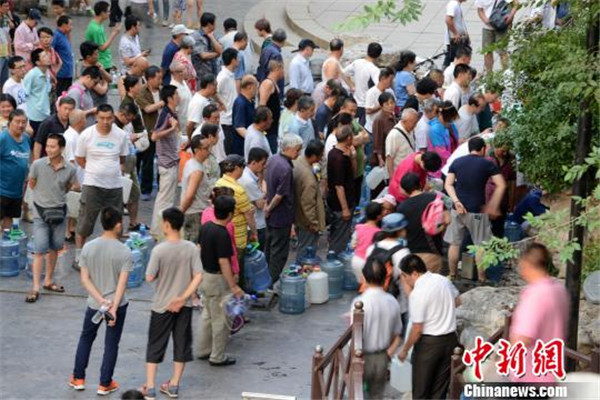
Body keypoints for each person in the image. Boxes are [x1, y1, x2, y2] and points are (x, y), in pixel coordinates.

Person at [69, 206, 131, 396]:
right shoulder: (124, 251)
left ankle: (78, 378)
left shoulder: (88, 247)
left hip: (95, 304)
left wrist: (101, 300)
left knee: (86, 338)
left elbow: (85, 279)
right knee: (111, 344)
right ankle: (105, 383)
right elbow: (122, 283)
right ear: (118, 225)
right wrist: (112, 305)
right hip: (117, 306)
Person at [142, 207, 203, 400]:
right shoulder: (191, 248)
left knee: (155, 345)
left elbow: (150, 277)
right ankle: (174, 385)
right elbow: (198, 276)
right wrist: (182, 297)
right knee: (181, 345)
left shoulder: (159, 250)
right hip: (183, 307)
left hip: (161, 305)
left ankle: (150, 387)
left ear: (167, 225)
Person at [73, 104, 129, 270]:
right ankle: (78, 256)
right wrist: (94, 170)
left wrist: (109, 170)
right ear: (96, 117)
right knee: (85, 221)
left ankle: (113, 256)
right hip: (92, 185)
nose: (105, 122)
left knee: (115, 223)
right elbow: (79, 158)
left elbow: (122, 159)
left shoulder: (121, 135)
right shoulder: (87, 135)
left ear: (113, 117)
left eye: (109, 118)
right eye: (102, 118)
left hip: (114, 185)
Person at [397, 254, 461, 400]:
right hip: (450, 340)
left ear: (414, 273)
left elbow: (417, 328)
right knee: (439, 391)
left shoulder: (418, 293)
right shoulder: (443, 280)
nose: (404, 280)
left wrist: (405, 350)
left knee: (421, 391)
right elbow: (458, 301)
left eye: (404, 276)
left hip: (429, 345)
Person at [444, 137, 506, 281]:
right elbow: (501, 184)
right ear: (483, 149)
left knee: (454, 243)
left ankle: (453, 275)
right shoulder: (487, 163)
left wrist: (456, 201)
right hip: (477, 211)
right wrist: (493, 205)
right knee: (480, 245)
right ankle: (482, 278)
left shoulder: (457, 162)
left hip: (457, 209)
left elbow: (448, 184)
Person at [509, 243, 569, 383]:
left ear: (526, 263)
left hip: (529, 376)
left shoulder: (535, 294)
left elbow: (524, 337)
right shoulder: (559, 290)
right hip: (551, 373)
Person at [196, 195, 243, 366]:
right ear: (230, 214)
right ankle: (217, 356)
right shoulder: (222, 234)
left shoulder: (206, 227)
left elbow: (198, 249)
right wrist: (233, 285)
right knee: (221, 320)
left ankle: (202, 349)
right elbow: (224, 262)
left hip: (204, 276)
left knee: (207, 315)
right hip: (217, 280)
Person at [352, 254, 403, 399]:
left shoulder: (359, 302)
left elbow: (354, 335)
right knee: (377, 395)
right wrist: (388, 354)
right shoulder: (392, 301)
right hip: (382, 356)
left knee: (358, 393)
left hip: (361, 356)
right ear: (384, 277)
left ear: (364, 277)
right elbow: (397, 333)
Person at [264, 134, 303, 281]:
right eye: (297, 150)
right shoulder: (286, 168)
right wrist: (269, 208)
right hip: (280, 216)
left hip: (272, 215)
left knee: (270, 249)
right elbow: (280, 196)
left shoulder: (273, 159)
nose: (298, 153)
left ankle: (267, 279)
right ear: (289, 148)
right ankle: (271, 282)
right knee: (278, 253)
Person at [398, 173, 450, 273]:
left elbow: (402, 233)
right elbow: (448, 220)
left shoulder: (402, 207)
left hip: (412, 254)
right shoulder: (435, 198)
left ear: (404, 189)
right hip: (433, 251)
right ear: (420, 184)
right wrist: (438, 229)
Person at [150, 85, 180, 237]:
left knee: (167, 199)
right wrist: (171, 129)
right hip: (166, 163)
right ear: (170, 98)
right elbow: (154, 136)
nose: (179, 96)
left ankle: (160, 230)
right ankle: (158, 232)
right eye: (176, 94)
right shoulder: (165, 114)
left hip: (172, 161)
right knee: (164, 201)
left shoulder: (172, 113)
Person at [327, 126, 357, 254]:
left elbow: (353, 174)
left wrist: (352, 157)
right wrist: (345, 208)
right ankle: (335, 261)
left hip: (341, 201)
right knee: (340, 238)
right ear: (349, 138)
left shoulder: (337, 153)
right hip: (340, 204)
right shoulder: (339, 158)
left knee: (339, 234)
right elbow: (339, 186)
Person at [293, 139, 326, 256]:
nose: (321, 158)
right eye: (320, 155)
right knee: (306, 251)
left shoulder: (298, 162)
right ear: (313, 155)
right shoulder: (309, 179)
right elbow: (308, 203)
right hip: (307, 222)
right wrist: (313, 223)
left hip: (298, 216)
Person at [135, 66, 163, 200]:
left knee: (163, 161)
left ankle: (162, 188)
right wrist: (164, 102)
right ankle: (146, 190)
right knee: (147, 161)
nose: (160, 81)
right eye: (158, 78)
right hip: (149, 131)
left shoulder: (163, 91)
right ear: (150, 79)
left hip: (163, 131)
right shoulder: (141, 93)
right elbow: (147, 109)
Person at [0, 109, 30, 229]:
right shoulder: (3, 139)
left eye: (23, 122)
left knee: (10, 219)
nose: (20, 125)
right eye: (17, 122)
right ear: (10, 122)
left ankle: (6, 245)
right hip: (2, 189)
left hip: (17, 191)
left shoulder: (26, 138)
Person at [180, 135, 212, 242]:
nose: (209, 151)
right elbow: (190, 195)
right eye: (206, 148)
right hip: (195, 214)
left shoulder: (191, 163)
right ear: (197, 150)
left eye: (209, 147)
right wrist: (180, 212)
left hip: (193, 212)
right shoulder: (197, 171)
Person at [342, 42, 382, 125]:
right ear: (378, 55)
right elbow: (379, 87)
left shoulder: (357, 62)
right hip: (365, 104)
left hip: (355, 101)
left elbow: (344, 73)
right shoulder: (374, 70)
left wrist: (351, 86)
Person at [239, 147, 269, 251]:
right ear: (254, 163)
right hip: (256, 224)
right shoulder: (248, 180)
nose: (264, 166)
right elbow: (260, 204)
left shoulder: (248, 175)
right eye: (263, 163)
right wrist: (265, 192)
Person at [476, 0, 518, 72]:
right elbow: (480, 10)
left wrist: (511, 16)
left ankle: (506, 74)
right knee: (487, 51)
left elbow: (516, 3)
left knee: (502, 51)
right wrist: (486, 21)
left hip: (502, 26)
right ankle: (489, 74)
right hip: (487, 27)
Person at [32, 96, 75, 160]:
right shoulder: (48, 123)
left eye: (70, 109)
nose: (67, 112)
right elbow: (38, 143)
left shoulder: (73, 123)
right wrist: (36, 162)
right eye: (65, 108)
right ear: (59, 108)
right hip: (47, 160)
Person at [350, 202, 383, 282]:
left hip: (356, 260)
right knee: (369, 285)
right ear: (378, 216)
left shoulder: (359, 227)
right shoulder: (379, 232)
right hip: (367, 263)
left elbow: (353, 245)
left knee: (361, 284)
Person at [85, 1, 121, 71]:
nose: (109, 13)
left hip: (105, 61)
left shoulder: (98, 23)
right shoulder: (96, 29)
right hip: (101, 63)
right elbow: (102, 48)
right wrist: (114, 33)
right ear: (102, 13)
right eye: (108, 11)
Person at [23, 48, 51, 135]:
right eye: (44, 56)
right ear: (38, 62)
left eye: (47, 55)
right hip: (34, 116)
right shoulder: (31, 75)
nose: (48, 57)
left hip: (46, 113)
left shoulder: (47, 72)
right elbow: (24, 95)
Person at [385, 108, 419, 179]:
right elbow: (389, 158)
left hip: (409, 175)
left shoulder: (410, 130)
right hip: (399, 176)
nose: (415, 126)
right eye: (413, 123)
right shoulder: (394, 135)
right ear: (404, 121)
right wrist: (392, 179)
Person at [258, 60, 283, 154]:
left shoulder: (274, 83)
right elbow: (262, 106)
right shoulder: (268, 83)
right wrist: (263, 126)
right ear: (277, 69)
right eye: (282, 69)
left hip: (274, 126)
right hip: (268, 128)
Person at [216, 47, 238, 154]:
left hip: (232, 118)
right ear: (233, 60)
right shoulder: (223, 76)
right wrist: (221, 103)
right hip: (226, 120)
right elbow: (213, 91)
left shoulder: (230, 74)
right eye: (237, 58)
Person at [186, 73, 220, 140]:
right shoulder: (198, 102)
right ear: (209, 86)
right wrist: (190, 141)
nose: (216, 88)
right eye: (215, 85)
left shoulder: (206, 98)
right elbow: (189, 125)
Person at [428, 101, 460, 171]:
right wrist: (456, 158)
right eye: (447, 117)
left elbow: (456, 141)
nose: (450, 120)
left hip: (453, 161)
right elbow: (441, 152)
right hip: (440, 167)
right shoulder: (435, 129)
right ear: (439, 114)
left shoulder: (451, 125)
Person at [231, 75, 258, 156]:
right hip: (242, 148)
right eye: (256, 86)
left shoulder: (249, 101)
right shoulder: (240, 103)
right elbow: (239, 127)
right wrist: (254, 139)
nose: (257, 89)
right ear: (249, 87)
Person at [191, 12, 223, 80]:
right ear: (209, 24)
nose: (216, 25)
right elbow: (203, 55)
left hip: (214, 71)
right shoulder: (196, 36)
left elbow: (220, 50)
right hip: (201, 74)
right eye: (214, 23)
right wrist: (216, 54)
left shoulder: (213, 35)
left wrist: (212, 38)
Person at [79, 41, 111, 107]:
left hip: (103, 104)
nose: (98, 56)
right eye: (96, 54)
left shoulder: (97, 66)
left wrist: (102, 70)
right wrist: (106, 82)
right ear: (88, 57)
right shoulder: (86, 72)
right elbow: (102, 91)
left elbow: (110, 79)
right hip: (95, 106)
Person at [370, 92, 397, 169]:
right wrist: (380, 158)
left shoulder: (393, 116)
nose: (390, 106)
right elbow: (377, 141)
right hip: (384, 155)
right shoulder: (379, 120)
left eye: (392, 103)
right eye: (387, 104)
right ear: (382, 105)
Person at [365, 67, 395, 133]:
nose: (392, 82)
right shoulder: (371, 92)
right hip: (373, 129)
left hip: (387, 127)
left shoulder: (390, 91)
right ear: (383, 78)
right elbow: (368, 110)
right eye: (391, 79)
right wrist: (382, 105)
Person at [256, 28, 286, 96]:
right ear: (283, 41)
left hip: (263, 82)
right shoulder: (276, 54)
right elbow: (276, 73)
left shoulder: (266, 49)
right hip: (271, 88)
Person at [443, 0, 470, 68]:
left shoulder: (457, 5)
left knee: (455, 60)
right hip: (454, 40)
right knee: (452, 60)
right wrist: (455, 33)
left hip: (458, 39)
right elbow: (448, 19)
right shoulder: (453, 4)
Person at [53, 15, 74, 95]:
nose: (71, 27)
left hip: (68, 72)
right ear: (64, 25)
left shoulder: (65, 35)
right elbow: (51, 50)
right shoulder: (56, 36)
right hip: (61, 73)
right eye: (70, 24)